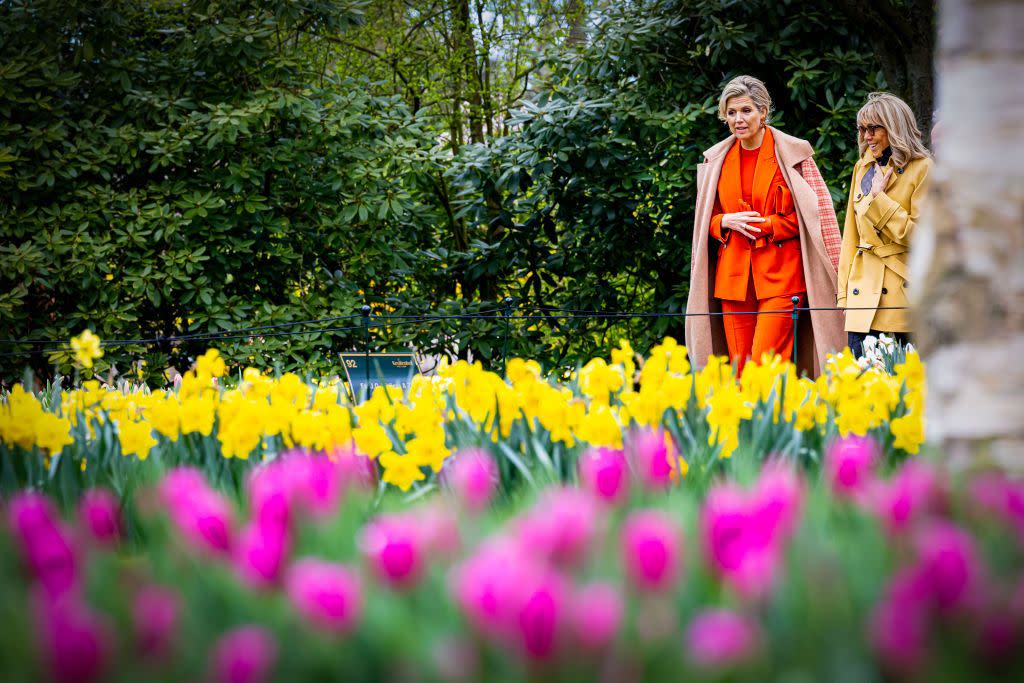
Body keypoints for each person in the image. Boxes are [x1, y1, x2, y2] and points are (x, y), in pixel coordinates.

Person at [685, 75, 844, 376]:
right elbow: (706, 221)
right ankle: (751, 426)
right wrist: (725, 221)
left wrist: (768, 225)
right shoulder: (715, 160)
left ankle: (777, 423)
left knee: (765, 370)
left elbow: (815, 217)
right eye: (731, 113)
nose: (738, 119)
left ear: (763, 112)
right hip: (733, 281)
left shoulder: (793, 154)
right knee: (740, 373)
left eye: (746, 111)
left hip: (781, 278)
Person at [837, 92, 932, 359]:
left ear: (894, 128)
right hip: (862, 295)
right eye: (862, 129)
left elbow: (922, 238)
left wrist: (880, 200)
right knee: (863, 389)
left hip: (904, 296)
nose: (867, 136)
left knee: (905, 390)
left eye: (874, 128)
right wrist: (844, 295)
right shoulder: (862, 168)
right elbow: (850, 237)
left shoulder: (923, 168)